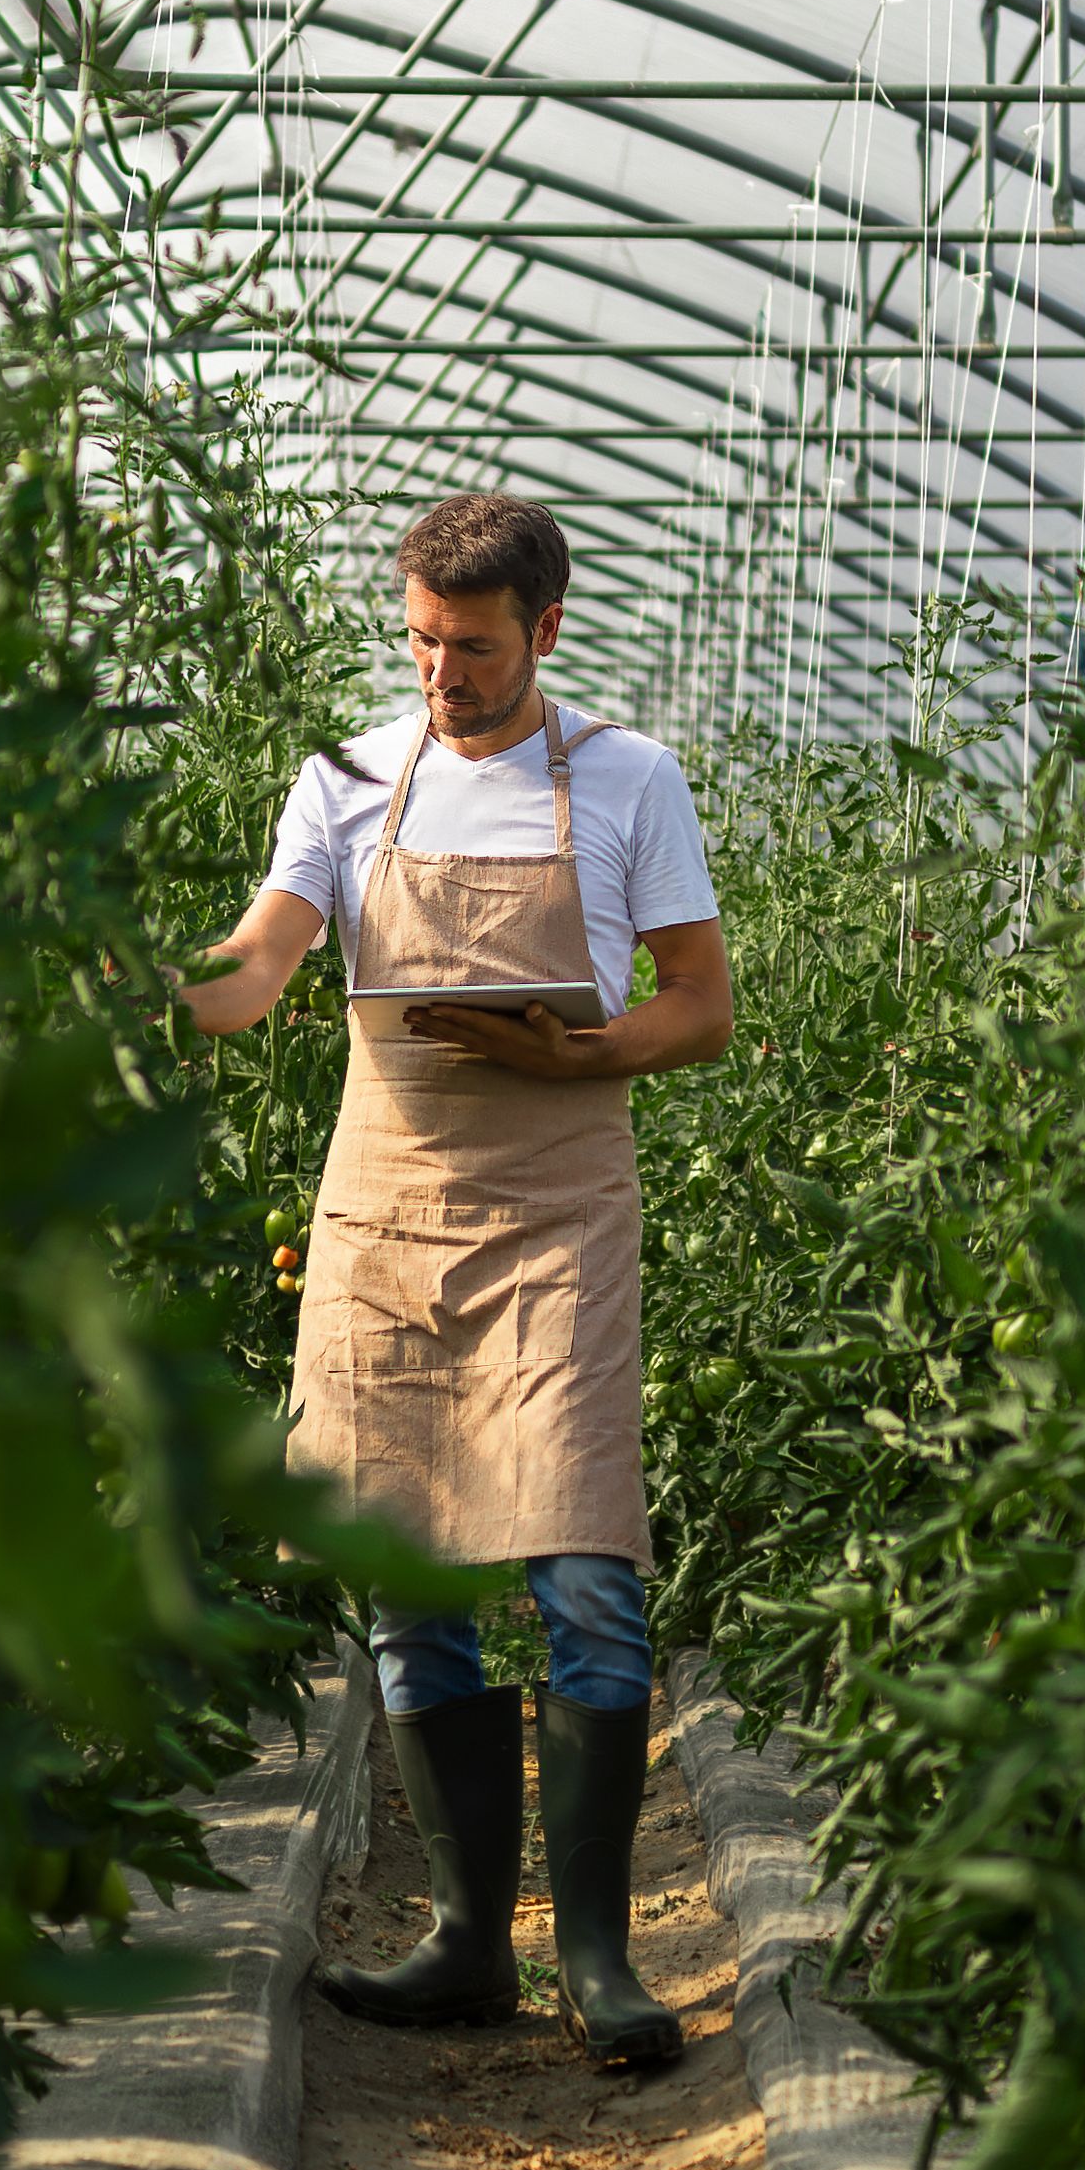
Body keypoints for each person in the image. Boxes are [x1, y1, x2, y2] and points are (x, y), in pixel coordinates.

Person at [179, 493, 732, 2071]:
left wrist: (578, 1047)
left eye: (473, 649)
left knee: (583, 1571)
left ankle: (604, 1964)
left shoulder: (627, 780)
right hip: (385, 1207)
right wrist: (160, 992)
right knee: (409, 1572)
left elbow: (700, 1006)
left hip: (558, 1207)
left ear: (545, 631)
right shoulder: (351, 780)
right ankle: (468, 1946)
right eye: (421, 642)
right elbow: (263, 963)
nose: (443, 676)